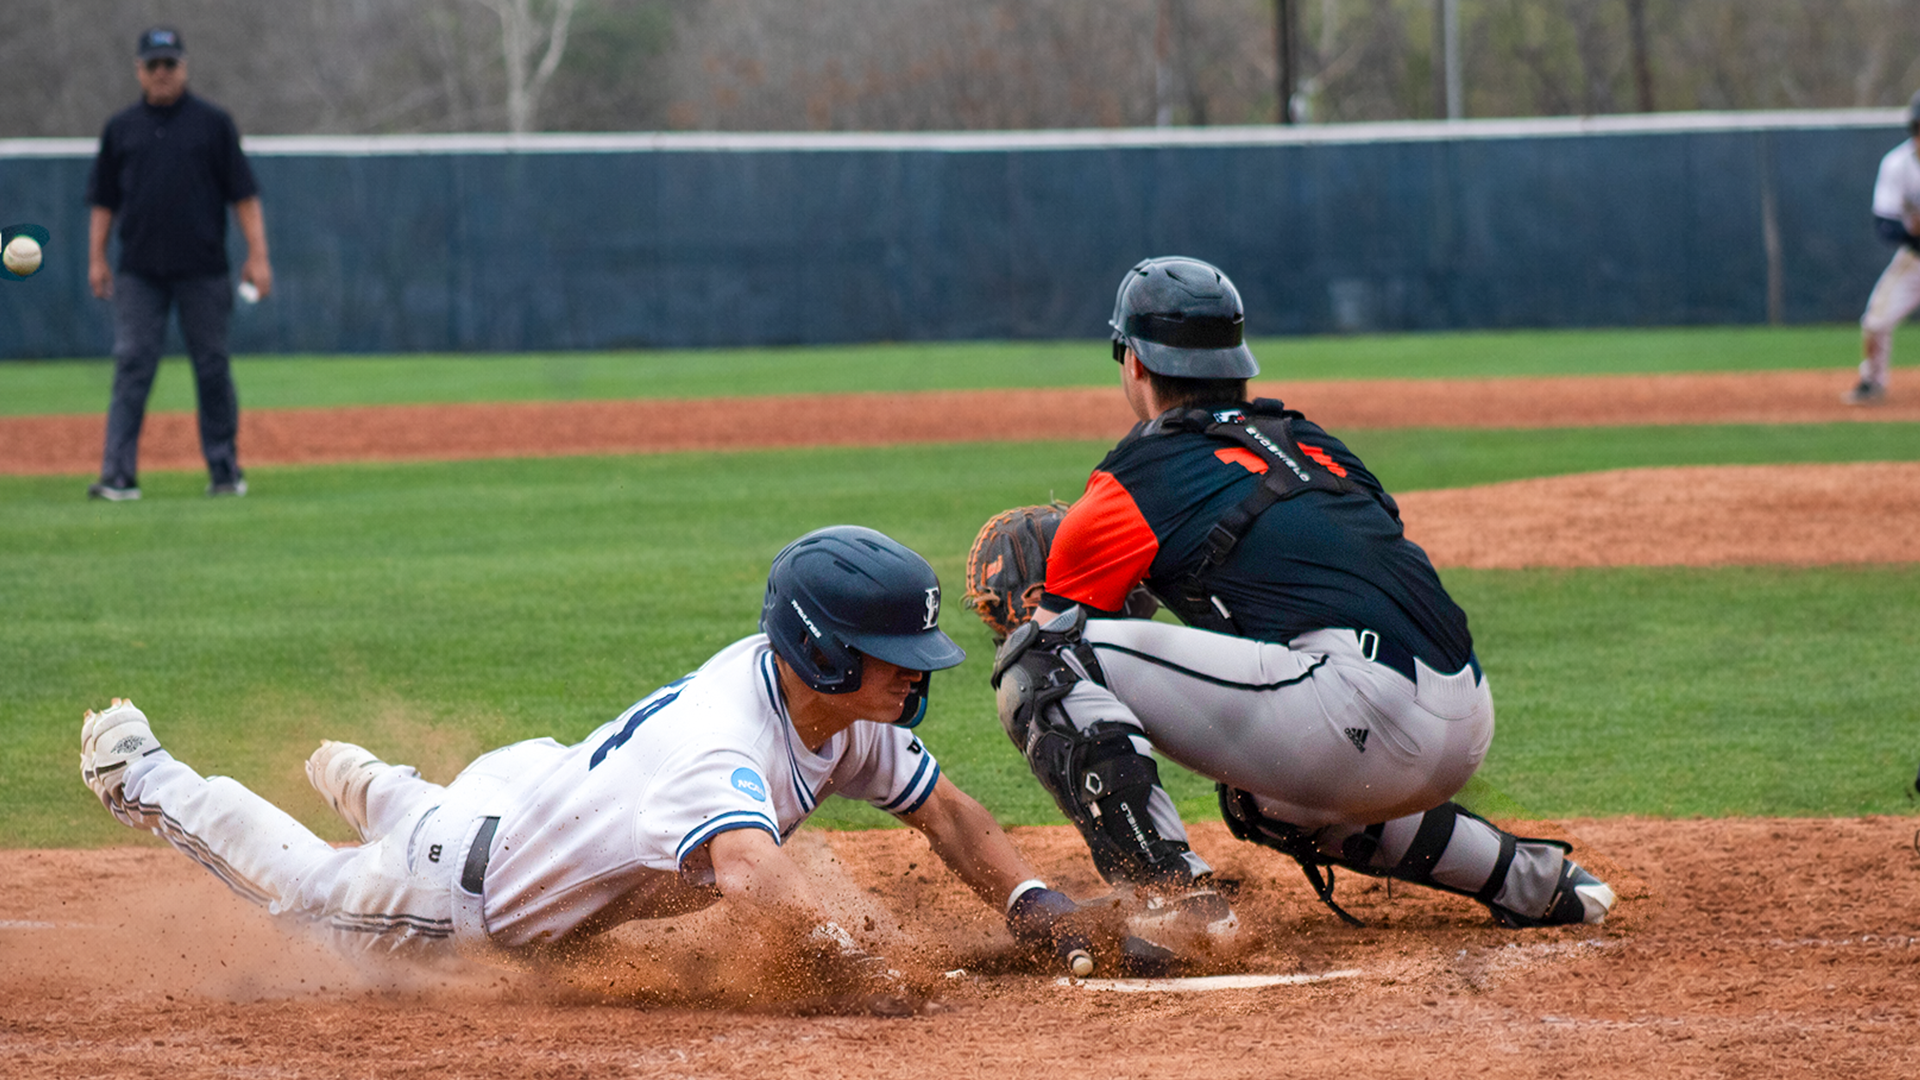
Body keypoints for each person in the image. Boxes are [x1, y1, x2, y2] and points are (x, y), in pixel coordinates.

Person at [78, 526, 1100, 995]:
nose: (916, 674)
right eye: (895, 655)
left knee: (449, 812)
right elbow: (751, 872)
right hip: (458, 890)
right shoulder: (723, 746)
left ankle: (377, 788)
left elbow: (949, 813)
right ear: (824, 652)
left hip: (537, 790)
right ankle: (142, 771)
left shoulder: (834, 708)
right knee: (304, 896)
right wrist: (853, 964)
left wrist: (1035, 905)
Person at [969, 256, 1615, 935]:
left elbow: (1056, 643)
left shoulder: (1137, 476)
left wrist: (1037, 621)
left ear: (1133, 362)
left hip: (1356, 712)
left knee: (1037, 666)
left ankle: (1175, 903)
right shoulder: (1313, 443)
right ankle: (1532, 881)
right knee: (1261, 798)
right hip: (1465, 714)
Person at [84, 26, 272, 500]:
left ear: (184, 67)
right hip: (139, 271)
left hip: (203, 269)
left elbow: (244, 195)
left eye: (169, 64)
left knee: (212, 368)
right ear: (139, 70)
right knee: (132, 364)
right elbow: (103, 201)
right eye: (153, 65)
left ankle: (224, 471)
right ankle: (118, 474)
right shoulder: (121, 128)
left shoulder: (213, 123)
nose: (162, 73)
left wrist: (258, 255)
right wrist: (97, 258)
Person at [1847, 90, 1920, 406]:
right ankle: (1873, 381)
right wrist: (1911, 231)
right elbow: (1885, 225)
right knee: (1876, 322)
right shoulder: (1897, 164)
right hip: (1915, 259)